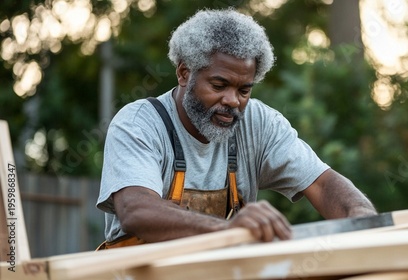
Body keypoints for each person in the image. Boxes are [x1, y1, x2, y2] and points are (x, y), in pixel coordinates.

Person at [96, 8, 376, 249]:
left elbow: (324, 185)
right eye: (219, 86)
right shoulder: (139, 123)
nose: (232, 101)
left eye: (244, 90)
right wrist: (228, 229)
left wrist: (363, 218)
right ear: (184, 73)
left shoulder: (259, 124)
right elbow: (137, 211)